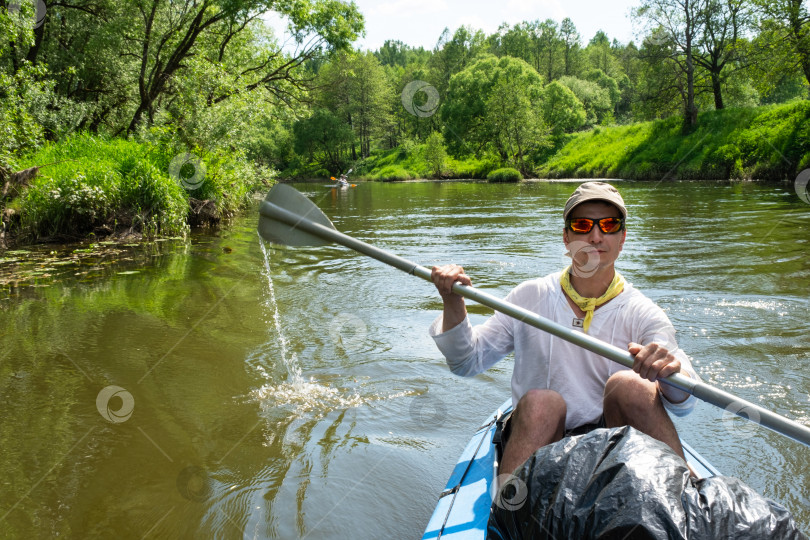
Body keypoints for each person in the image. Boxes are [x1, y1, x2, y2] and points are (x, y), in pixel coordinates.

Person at [429, 182, 698, 475]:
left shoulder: (643, 312)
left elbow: (684, 403)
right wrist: (452, 301)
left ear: (622, 239)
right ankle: (509, 508)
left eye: (609, 225)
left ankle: (687, 500)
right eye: (583, 225)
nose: (596, 236)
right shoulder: (529, 297)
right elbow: (466, 362)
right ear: (566, 238)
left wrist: (670, 372)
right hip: (540, 436)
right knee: (543, 402)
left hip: (612, 444)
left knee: (633, 387)